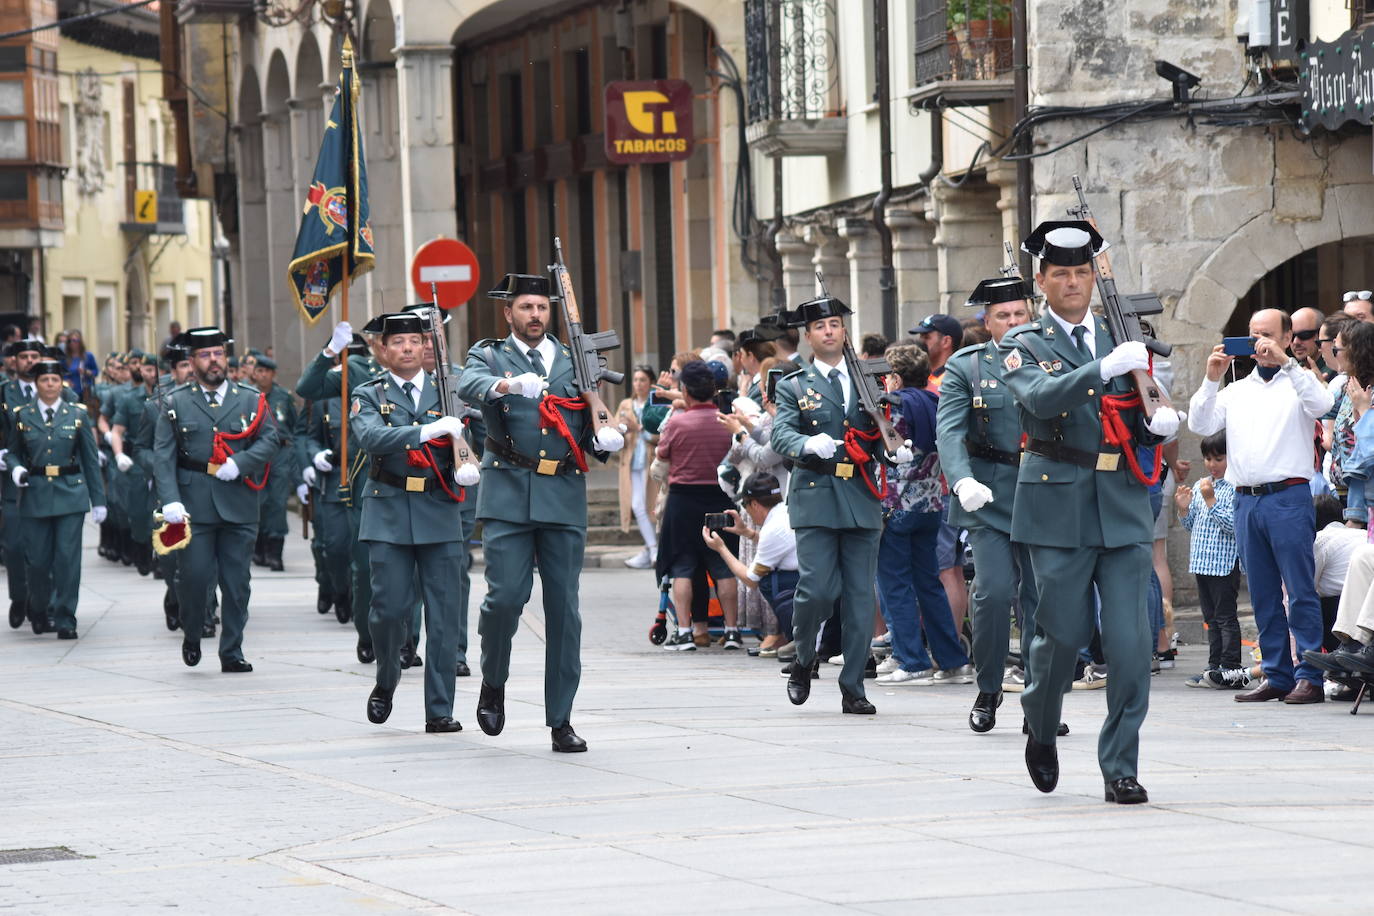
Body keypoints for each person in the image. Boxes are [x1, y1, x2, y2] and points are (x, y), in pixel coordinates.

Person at [1001, 220, 1180, 804]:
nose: (1073, 283)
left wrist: (1159, 427)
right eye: (1062, 274)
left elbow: (1141, 414)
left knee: (1130, 642)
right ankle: (1040, 711)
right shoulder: (1022, 344)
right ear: (1042, 282)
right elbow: (1038, 398)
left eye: (1082, 273)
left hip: (1123, 501)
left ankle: (1120, 766)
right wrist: (1099, 370)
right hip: (1057, 505)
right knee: (1060, 635)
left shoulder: (1121, 337)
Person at [458, 272, 624, 753]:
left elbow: (592, 415)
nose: (535, 316)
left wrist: (604, 434)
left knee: (564, 612)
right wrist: (507, 385)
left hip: (563, 492)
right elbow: (467, 383)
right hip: (508, 491)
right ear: (508, 313)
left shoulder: (576, 361)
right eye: (526, 308)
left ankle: (561, 719)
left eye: (542, 308)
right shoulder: (489, 355)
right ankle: (494, 680)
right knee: (505, 599)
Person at [770, 293, 911, 715]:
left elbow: (883, 429)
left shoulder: (870, 380)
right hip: (816, 493)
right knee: (817, 588)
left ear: (843, 331)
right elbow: (781, 436)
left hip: (862, 494)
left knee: (859, 595)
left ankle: (853, 685)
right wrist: (805, 444)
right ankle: (803, 657)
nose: (829, 331)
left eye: (835, 324)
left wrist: (896, 449)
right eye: (820, 327)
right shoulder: (793, 384)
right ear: (808, 336)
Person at [1189, 307, 1333, 705]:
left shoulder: (1298, 381)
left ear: (1287, 338)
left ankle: (1310, 675)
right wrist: (1210, 378)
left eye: (1268, 334)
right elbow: (1200, 423)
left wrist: (1288, 364)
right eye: (1253, 335)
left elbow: (1321, 404)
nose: (1260, 343)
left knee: (1300, 590)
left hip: (1288, 496)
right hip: (1246, 500)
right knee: (1264, 594)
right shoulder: (1238, 388)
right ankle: (1276, 673)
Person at [350, 312, 473, 733]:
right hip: (388, 509)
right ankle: (386, 679)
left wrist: (467, 453)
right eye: (396, 342)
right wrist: (427, 430)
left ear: (426, 348)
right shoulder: (369, 393)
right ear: (383, 350)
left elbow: (478, 434)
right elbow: (369, 437)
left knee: (444, 613)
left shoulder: (449, 391)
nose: (406, 348)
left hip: (439, 508)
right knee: (388, 608)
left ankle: (439, 708)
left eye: (414, 341)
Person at [937, 277, 1044, 732]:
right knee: (994, 592)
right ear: (988, 321)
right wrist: (961, 480)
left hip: (1045, 487)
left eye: (1020, 314)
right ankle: (989, 686)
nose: (1014, 322)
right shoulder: (968, 365)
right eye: (1003, 315)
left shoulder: (1052, 357)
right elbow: (950, 430)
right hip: (991, 489)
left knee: (1043, 599)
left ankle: (1041, 699)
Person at [152, 326, 282, 672]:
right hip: (194, 504)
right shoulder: (176, 401)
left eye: (219, 354)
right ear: (192, 361)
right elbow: (163, 456)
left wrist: (241, 463)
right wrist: (170, 501)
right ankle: (193, 631)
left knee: (237, 584)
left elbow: (270, 440)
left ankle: (232, 651)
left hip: (238, 502)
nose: (214, 361)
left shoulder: (251, 398)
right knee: (193, 578)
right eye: (206, 355)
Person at [874, 344, 972, 686]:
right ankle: (952, 660)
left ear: (896, 377)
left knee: (895, 584)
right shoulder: (935, 400)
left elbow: (887, 451)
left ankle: (911, 659)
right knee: (928, 583)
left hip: (896, 504)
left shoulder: (893, 406)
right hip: (932, 502)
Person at [4, 359, 106, 638]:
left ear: (63, 384)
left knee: (67, 560)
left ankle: (65, 618)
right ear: (36, 385)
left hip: (70, 493)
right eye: (45, 380)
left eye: (55, 380)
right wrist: (16, 468)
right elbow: (13, 451)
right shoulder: (22, 415)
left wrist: (98, 500)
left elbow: (89, 458)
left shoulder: (77, 414)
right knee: (37, 561)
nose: (50, 385)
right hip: (35, 492)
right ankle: (39, 606)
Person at [654, 360, 741, 651]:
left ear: (686, 392)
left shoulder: (677, 422)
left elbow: (663, 456)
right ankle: (731, 631)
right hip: (720, 498)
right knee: (723, 565)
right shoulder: (725, 421)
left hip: (683, 501)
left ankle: (684, 632)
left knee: (682, 566)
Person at [1173, 431, 1243, 688]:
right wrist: (1183, 508)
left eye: (1218, 458)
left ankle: (1231, 667)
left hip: (1224, 564)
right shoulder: (1201, 484)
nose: (1212, 464)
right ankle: (1213, 667)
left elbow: (1231, 526)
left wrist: (1211, 499)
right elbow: (1193, 524)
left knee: (1225, 617)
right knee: (1211, 618)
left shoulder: (1235, 487)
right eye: (1208, 459)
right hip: (1202, 563)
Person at [701, 472, 797, 646]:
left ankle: (797, 637)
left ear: (755, 504)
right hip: (817, 581)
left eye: (744, 505)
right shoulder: (786, 512)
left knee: (767, 581)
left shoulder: (772, 530)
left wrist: (721, 549)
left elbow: (751, 580)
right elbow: (781, 543)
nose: (745, 510)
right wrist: (747, 533)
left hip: (799, 583)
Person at [249, 356, 298, 572]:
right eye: (259, 371)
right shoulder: (247, 396)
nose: (263, 375)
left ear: (273, 374)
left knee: (278, 502)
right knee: (259, 501)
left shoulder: (283, 397)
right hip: (257, 452)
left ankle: (275, 552)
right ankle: (258, 546)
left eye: (267, 372)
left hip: (280, 451)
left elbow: (295, 427)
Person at [616, 365, 660, 570]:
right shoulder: (626, 404)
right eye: (635, 380)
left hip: (652, 462)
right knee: (637, 506)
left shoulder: (656, 402)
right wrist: (621, 431)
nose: (638, 384)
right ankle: (651, 549)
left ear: (651, 382)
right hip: (631, 462)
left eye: (643, 380)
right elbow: (615, 432)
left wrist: (639, 428)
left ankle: (651, 549)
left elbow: (660, 435)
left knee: (650, 507)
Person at [911, 313, 963, 390]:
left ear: (946, 341)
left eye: (926, 337)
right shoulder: (917, 375)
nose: (920, 342)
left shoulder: (953, 379)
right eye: (920, 337)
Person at [61, 330, 99, 397]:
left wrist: (86, 372)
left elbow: (96, 372)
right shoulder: (64, 357)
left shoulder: (88, 356)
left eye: (74, 340)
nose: (72, 343)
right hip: (70, 391)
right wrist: (65, 381)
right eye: (69, 341)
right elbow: (61, 373)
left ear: (80, 342)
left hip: (85, 390)